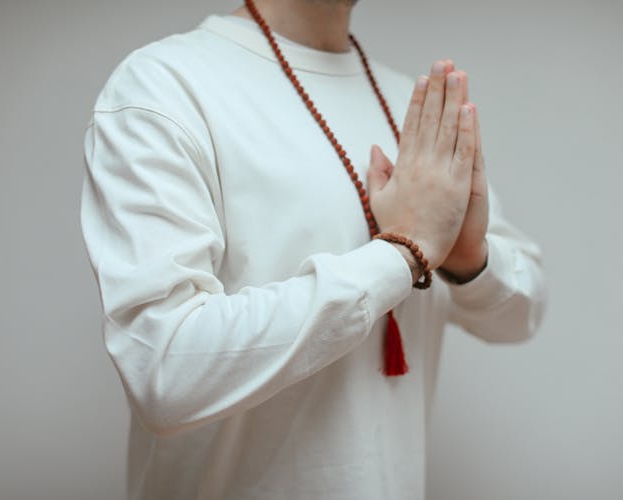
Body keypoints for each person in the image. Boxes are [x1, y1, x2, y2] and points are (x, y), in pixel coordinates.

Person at [79, 0, 547, 498]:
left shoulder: (411, 105)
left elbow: (520, 316)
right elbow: (164, 371)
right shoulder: (164, 88)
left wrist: (465, 260)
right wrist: (402, 255)